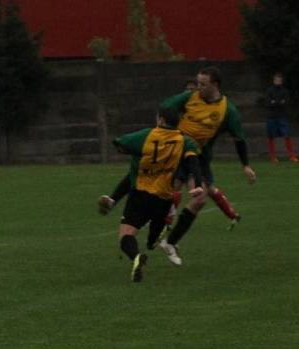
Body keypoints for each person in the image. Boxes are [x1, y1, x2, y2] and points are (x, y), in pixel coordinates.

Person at [98, 66, 256, 238]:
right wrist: (163, 130)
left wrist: (245, 165)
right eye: (197, 83)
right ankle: (131, 209)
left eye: (203, 84)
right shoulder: (189, 97)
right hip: (174, 149)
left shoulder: (227, 110)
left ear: (215, 85)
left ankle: (164, 230)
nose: (198, 87)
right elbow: (165, 107)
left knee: (196, 192)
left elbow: (239, 139)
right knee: (148, 171)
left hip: (197, 157)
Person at [112, 107, 203, 282]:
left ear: (160, 120)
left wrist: (132, 152)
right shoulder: (184, 141)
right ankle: (157, 234)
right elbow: (194, 163)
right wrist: (197, 185)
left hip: (140, 194)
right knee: (153, 239)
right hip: (164, 197)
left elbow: (119, 142)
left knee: (126, 235)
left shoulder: (147, 135)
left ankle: (136, 256)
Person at [264, 72, 297, 164]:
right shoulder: (269, 90)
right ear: (273, 81)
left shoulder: (285, 91)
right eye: (276, 80)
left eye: (279, 80)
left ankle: (292, 156)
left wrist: (275, 102)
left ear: (281, 81)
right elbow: (268, 103)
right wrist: (278, 102)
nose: (277, 81)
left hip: (282, 116)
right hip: (271, 117)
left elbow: (286, 103)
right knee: (270, 137)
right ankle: (273, 157)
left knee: (286, 135)